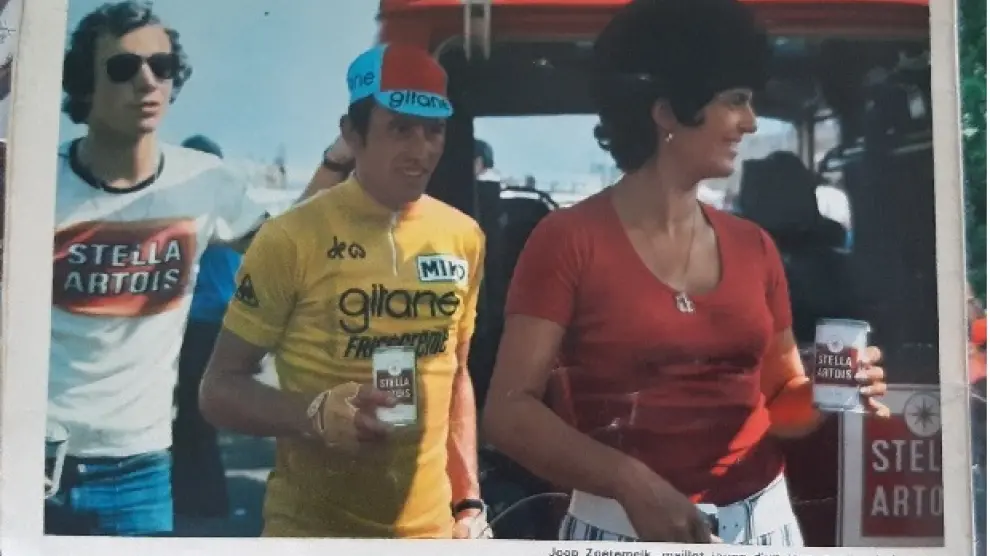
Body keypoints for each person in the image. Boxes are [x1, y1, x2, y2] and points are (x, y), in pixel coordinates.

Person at [481, 0, 889, 546]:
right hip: (618, 533)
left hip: (764, 529)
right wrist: (628, 481)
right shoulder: (567, 240)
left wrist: (826, 390)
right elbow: (507, 413)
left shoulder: (756, 247)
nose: (750, 121)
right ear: (668, 111)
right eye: (735, 100)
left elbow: (780, 400)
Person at [45, 1, 328, 536]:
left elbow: (291, 249)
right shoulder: (37, 180)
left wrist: (337, 161)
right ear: (84, 86)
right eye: (123, 67)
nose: (147, 81)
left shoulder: (204, 181)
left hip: (139, 469)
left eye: (162, 66)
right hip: (30, 459)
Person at [199, 43, 489, 539]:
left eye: (433, 130)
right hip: (310, 531)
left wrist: (467, 502)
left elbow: (456, 375)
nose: (421, 150)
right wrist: (311, 414)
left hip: (432, 532)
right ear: (353, 133)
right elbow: (218, 389)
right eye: (400, 128)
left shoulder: (463, 236)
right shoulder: (291, 237)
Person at [170, 134, 236, 518]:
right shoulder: (233, 210)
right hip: (220, 323)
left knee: (193, 414)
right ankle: (203, 497)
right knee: (198, 413)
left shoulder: (203, 212)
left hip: (199, 323)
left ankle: (204, 500)